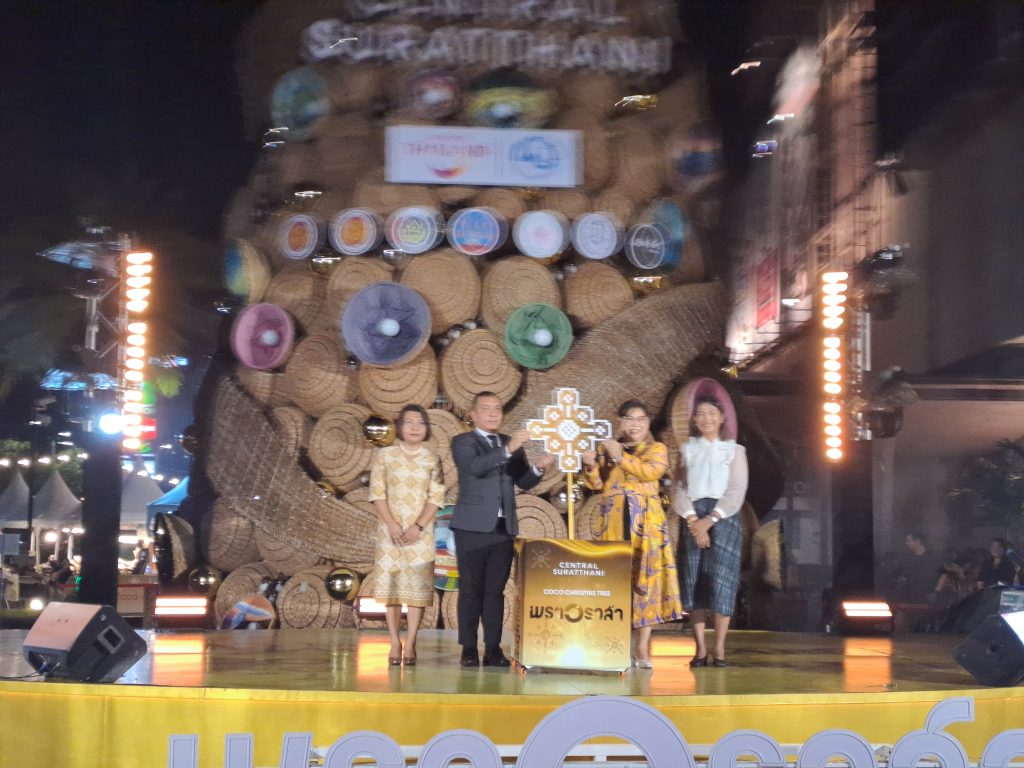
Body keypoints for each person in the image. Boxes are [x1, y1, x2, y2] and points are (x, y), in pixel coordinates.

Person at [450, 391, 554, 667]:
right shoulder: (463, 442)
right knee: (471, 589)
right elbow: (475, 468)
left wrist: (538, 468)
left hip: (503, 527)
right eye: (486, 408)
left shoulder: (509, 442)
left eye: (497, 408)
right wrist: (508, 450)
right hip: (472, 528)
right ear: (473, 415)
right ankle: (468, 648)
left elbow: (523, 481)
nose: (493, 413)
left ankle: (493, 648)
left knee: (495, 591)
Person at [582, 399, 684, 669]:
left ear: (647, 423)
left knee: (645, 582)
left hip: (646, 525)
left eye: (641, 419)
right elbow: (595, 484)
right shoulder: (607, 448)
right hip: (613, 522)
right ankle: (616, 643)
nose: (635, 424)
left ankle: (641, 647)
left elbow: (650, 471)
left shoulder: (656, 449)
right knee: (615, 581)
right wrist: (590, 465)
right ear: (620, 421)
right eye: (629, 419)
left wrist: (620, 457)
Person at [672, 394, 748, 667]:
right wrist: (694, 519)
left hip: (724, 517)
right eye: (701, 414)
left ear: (722, 418)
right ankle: (700, 649)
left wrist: (711, 519)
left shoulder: (734, 451)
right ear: (693, 419)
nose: (707, 419)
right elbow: (678, 488)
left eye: (712, 413)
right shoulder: (686, 450)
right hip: (693, 516)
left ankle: (720, 648)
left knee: (723, 579)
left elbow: (737, 489)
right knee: (694, 580)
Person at [368, 404, 446, 666]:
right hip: (389, 533)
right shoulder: (385, 455)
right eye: (409, 422)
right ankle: (393, 641)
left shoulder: (432, 458)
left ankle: (411, 641)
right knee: (392, 589)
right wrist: (391, 524)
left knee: (416, 590)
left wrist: (418, 527)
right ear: (400, 427)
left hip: (420, 534)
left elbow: (436, 497)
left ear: (427, 428)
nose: (415, 427)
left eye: (420, 422)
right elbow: (377, 493)